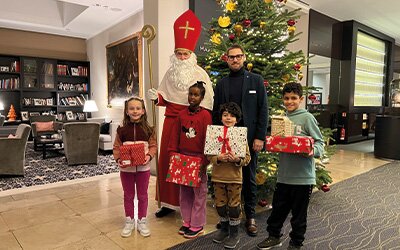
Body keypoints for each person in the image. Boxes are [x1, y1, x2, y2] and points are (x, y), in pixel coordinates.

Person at [148, 10, 214, 218]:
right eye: (179, 53)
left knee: (189, 162)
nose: (182, 57)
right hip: (171, 121)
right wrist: (156, 97)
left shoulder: (200, 73)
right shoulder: (170, 72)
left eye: (185, 54)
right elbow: (164, 97)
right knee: (167, 160)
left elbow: (207, 102)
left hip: (192, 123)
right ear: (174, 54)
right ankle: (167, 203)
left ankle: (190, 204)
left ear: (191, 55)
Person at [257, 82, 324, 250]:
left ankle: (296, 243)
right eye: (286, 98)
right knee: (277, 211)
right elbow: (278, 143)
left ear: (301, 99)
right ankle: (274, 236)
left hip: (303, 178)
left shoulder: (307, 118)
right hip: (284, 176)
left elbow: (320, 144)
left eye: (294, 98)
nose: (290, 101)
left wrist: (310, 150)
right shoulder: (281, 119)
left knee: (299, 216)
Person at [212, 44, 268, 236]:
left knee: (249, 178)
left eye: (238, 56)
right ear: (226, 59)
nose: (235, 60)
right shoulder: (221, 84)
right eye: (231, 57)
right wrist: (216, 141)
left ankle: (250, 215)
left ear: (244, 57)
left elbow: (263, 110)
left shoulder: (256, 81)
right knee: (227, 179)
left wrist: (260, 137)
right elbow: (215, 113)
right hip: (226, 139)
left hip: (249, 138)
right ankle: (227, 217)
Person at [167, 81, 212, 238]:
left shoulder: (206, 115)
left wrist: (204, 161)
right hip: (182, 158)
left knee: (199, 193)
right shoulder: (181, 114)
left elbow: (208, 138)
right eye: (190, 94)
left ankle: (197, 224)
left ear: (202, 97)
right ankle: (187, 221)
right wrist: (173, 153)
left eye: (196, 95)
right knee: (184, 192)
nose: (192, 97)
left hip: (198, 159)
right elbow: (175, 135)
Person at [113, 97, 157, 238]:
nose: (135, 111)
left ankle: (142, 220)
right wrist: (118, 159)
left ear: (143, 111)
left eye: (138, 108)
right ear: (127, 111)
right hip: (126, 170)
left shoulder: (149, 130)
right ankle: (129, 220)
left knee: (143, 195)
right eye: (131, 108)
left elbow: (153, 146)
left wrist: (149, 156)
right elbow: (116, 147)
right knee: (128, 195)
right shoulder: (121, 130)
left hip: (143, 169)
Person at [209, 102, 251, 249]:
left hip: (234, 177)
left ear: (237, 119)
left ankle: (234, 233)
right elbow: (209, 154)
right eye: (225, 115)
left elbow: (247, 158)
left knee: (234, 207)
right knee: (220, 205)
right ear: (220, 117)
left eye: (232, 116)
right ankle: (224, 229)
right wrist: (218, 158)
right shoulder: (215, 134)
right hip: (218, 177)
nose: (228, 118)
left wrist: (237, 159)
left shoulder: (240, 136)